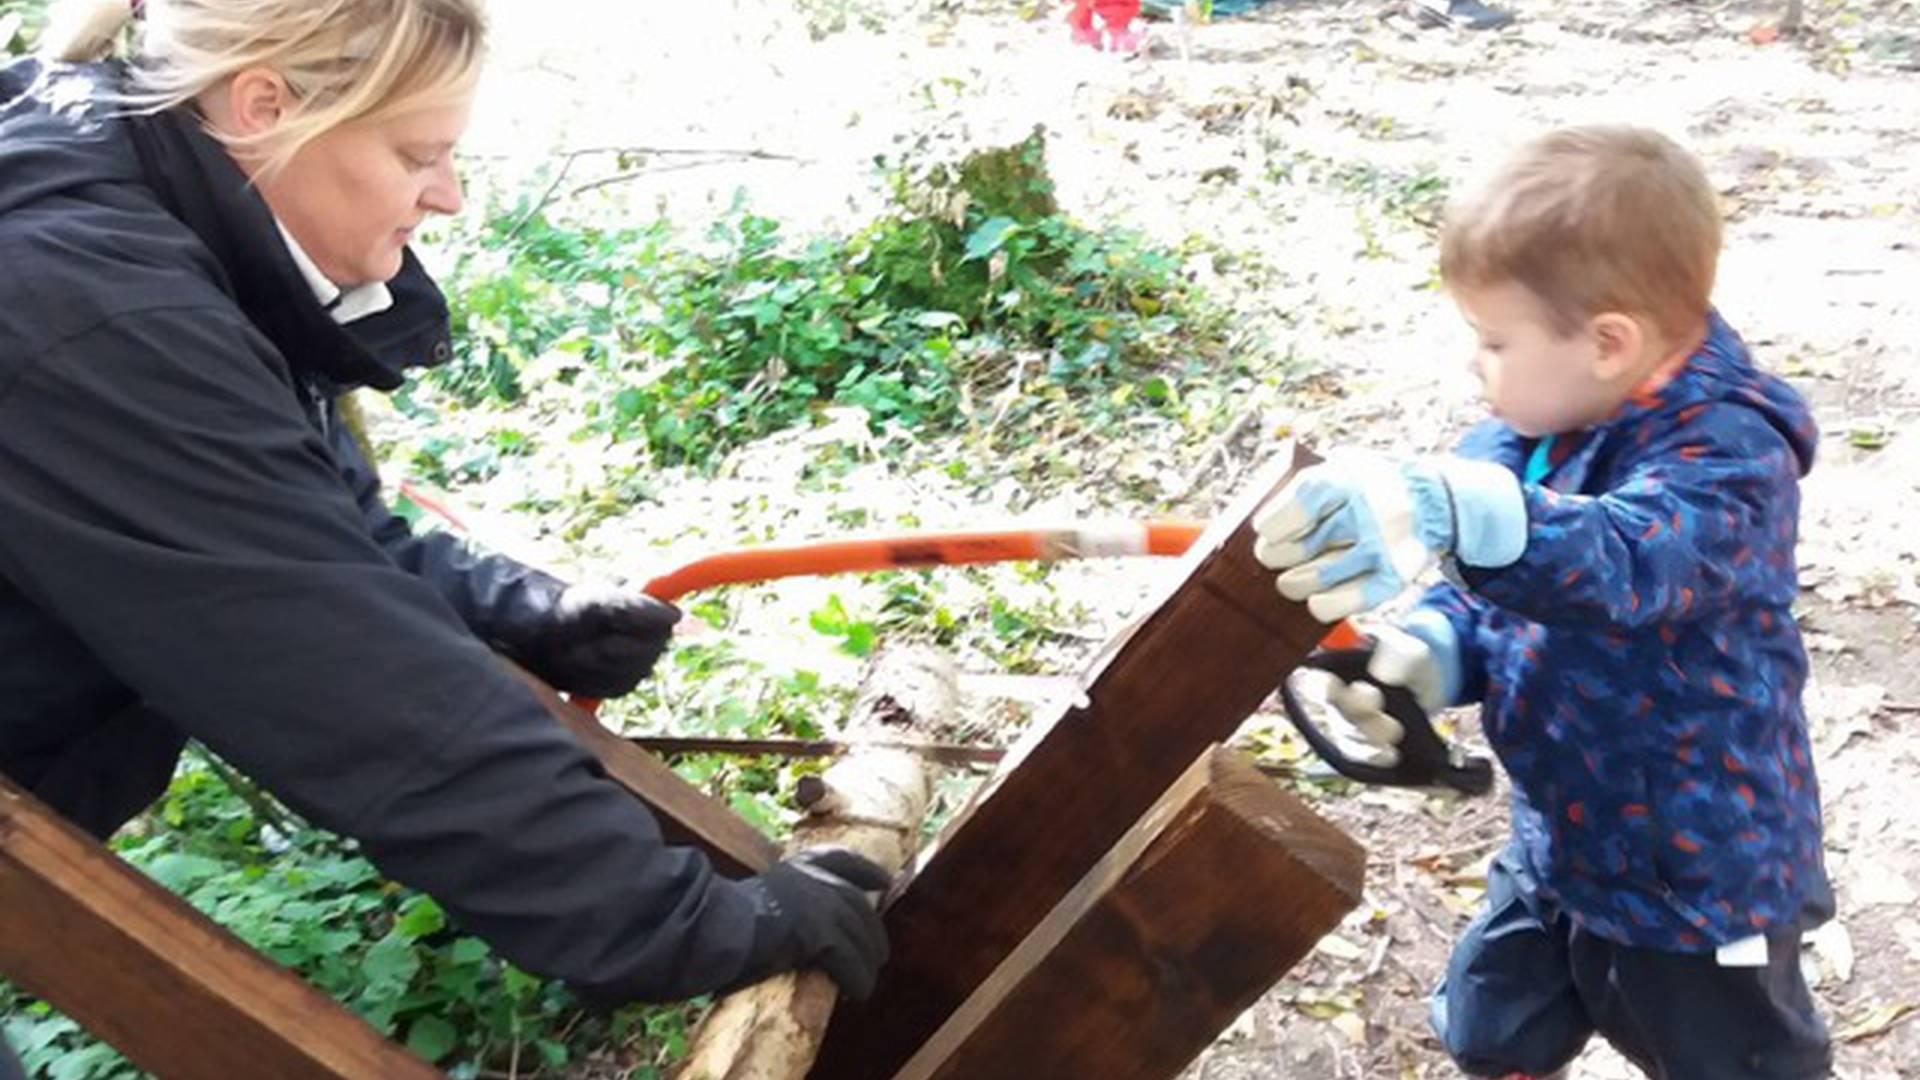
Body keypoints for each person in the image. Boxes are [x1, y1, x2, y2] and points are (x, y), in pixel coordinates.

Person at [0, 0, 891, 1062]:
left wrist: (514, 608)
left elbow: (286, 517)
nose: (452, 197)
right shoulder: (87, 309)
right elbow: (330, 666)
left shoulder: (139, 209)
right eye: (418, 154)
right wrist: (668, 919)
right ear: (263, 107)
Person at [1253, 126, 1832, 1079]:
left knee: (1736, 1059)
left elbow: (1624, 564)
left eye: (1493, 342)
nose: (1474, 367)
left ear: (1609, 343)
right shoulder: (1544, 426)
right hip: (1562, 839)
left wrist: (1460, 509)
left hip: (1699, 878)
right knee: (1493, 1026)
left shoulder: (1731, 460)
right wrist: (1433, 652)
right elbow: (1514, 591)